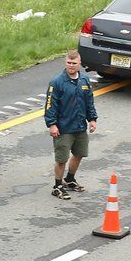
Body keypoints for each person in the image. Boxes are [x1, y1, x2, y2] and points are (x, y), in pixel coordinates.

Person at [44, 51, 97, 200]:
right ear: (65, 63)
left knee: (79, 154)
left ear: (79, 63)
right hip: (64, 128)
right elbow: (50, 105)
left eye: (74, 63)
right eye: (69, 63)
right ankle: (57, 186)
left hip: (80, 126)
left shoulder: (85, 80)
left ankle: (70, 180)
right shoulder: (57, 83)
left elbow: (89, 102)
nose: (71, 66)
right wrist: (52, 124)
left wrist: (92, 119)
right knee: (61, 159)